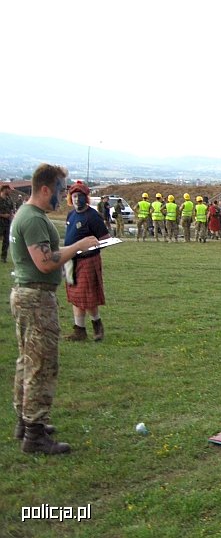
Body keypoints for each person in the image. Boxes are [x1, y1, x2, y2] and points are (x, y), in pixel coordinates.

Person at [11, 164, 99, 454]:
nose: (63, 196)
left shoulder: (27, 214)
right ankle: (34, 434)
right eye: (60, 190)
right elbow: (46, 262)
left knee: (27, 360)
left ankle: (25, 421)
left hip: (27, 294)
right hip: (36, 297)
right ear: (45, 188)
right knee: (41, 364)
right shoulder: (33, 219)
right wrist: (79, 246)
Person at [63, 180, 111, 342]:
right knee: (75, 296)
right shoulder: (71, 215)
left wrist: (89, 250)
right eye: (74, 196)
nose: (77, 199)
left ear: (86, 197)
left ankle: (97, 325)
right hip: (71, 261)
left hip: (88, 261)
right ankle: (79, 331)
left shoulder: (92, 216)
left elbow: (105, 239)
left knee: (87, 296)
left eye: (80, 196)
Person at [0, 184, 17, 262]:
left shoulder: (9, 199)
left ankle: (3, 257)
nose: (10, 191)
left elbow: (12, 209)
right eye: (9, 190)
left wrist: (12, 214)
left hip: (7, 223)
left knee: (6, 240)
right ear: (5, 189)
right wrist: (3, 215)